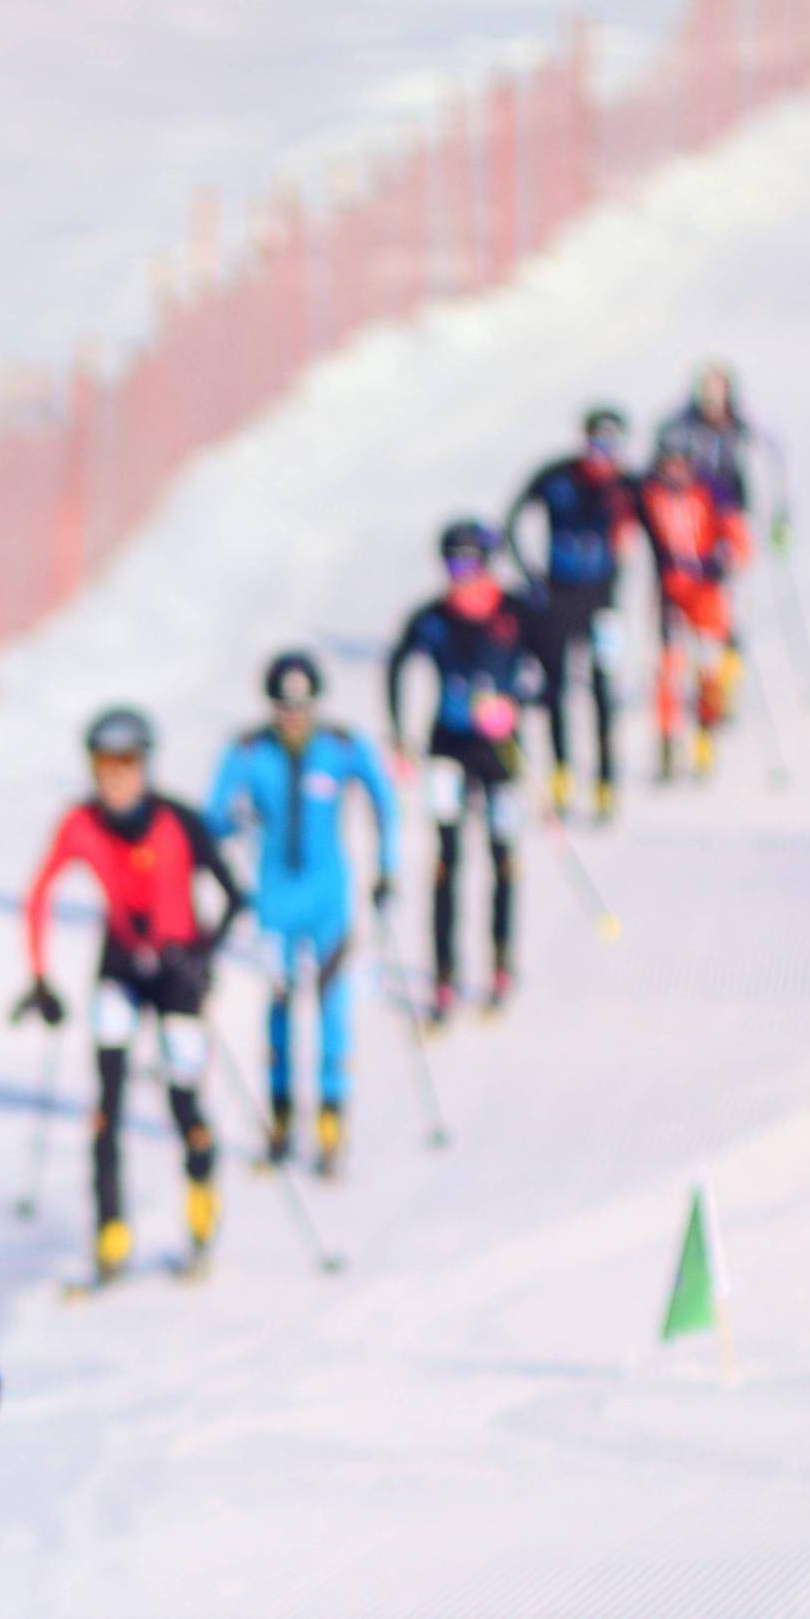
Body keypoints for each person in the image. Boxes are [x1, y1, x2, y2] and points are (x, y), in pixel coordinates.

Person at [16, 704, 237, 1277]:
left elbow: (237, 896)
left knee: (182, 1100)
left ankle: (200, 1214)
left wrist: (203, 956)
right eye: (105, 765)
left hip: (177, 974)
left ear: (145, 766)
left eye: (127, 764)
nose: (116, 777)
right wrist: (41, 978)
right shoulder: (80, 823)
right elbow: (39, 895)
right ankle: (111, 1233)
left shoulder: (180, 820)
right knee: (106, 1106)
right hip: (118, 968)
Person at [207, 649, 396, 1179]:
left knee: (333, 1005)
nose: (293, 719)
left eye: (302, 708)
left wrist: (387, 867)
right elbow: (211, 819)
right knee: (280, 1008)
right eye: (283, 709)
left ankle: (333, 1117)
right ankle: (282, 1116)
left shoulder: (340, 747)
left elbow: (384, 798)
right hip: (275, 905)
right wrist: (230, 822)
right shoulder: (248, 754)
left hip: (328, 900)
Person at [384, 521, 546, 1023]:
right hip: (447, 749)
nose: (461, 577)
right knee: (446, 862)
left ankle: (499, 963)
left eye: (470, 565)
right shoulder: (432, 618)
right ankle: (444, 974)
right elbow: (395, 667)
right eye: (453, 566)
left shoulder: (514, 612)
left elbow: (548, 674)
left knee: (503, 858)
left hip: (500, 753)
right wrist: (400, 738)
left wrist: (514, 704)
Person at [507, 407, 646, 823]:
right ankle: (562, 777)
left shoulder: (626, 485)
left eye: (610, 444)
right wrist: (531, 575)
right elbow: (512, 521)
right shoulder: (555, 477)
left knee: (603, 690)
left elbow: (655, 533)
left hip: (603, 603)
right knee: (556, 689)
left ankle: (605, 781)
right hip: (558, 599)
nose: (601, 453)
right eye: (594, 442)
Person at [636, 442, 751, 787]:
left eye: (680, 464)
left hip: (706, 595)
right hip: (671, 594)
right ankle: (669, 745)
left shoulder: (710, 494)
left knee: (709, 669)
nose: (674, 472)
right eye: (668, 464)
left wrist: (721, 562)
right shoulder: (650, 495)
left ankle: (705, 745)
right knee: (669, 671)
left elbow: (738, 540)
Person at [655, 363, 780, 541]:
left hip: (730, 505)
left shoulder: (743, 428)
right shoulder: (680, 427)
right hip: (693, 505)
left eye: (717, 390)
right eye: (707, 389)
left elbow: (766, 463)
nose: (711, 396)